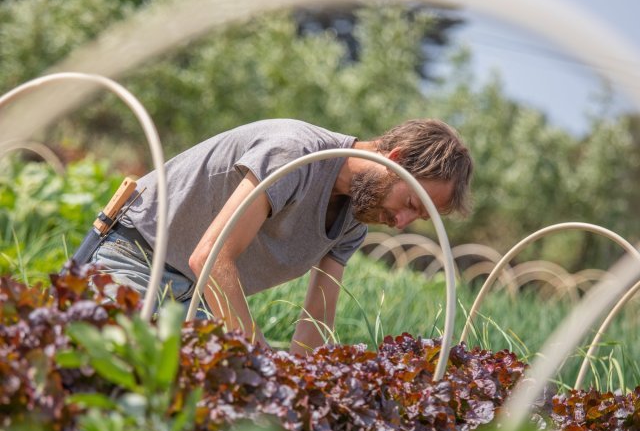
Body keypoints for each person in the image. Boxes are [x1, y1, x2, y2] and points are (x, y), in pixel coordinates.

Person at [88, 118, 472, 355]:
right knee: (116, 369)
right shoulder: (293, 154)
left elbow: (317, 317)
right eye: (410, 202)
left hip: (196, 297)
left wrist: (300, 391)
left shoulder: (355, 218)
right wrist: (261, 365)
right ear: (397, 159)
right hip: (138, 258)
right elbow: (209, 258)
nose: (402, 222)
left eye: (417, 217)